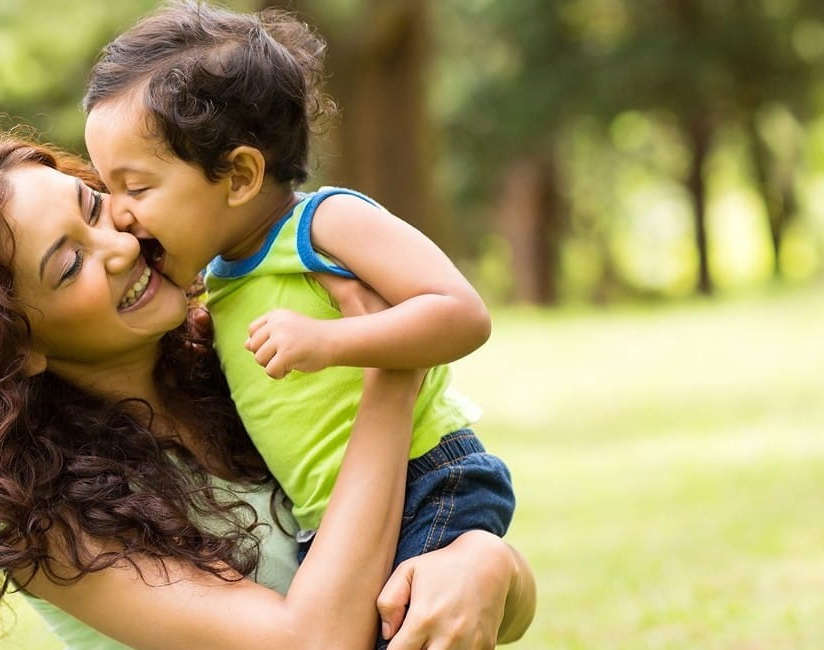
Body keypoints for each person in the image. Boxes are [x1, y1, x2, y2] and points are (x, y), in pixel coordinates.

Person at [0, 137, 535, 650]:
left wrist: (484, 563)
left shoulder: (243, 358)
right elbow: (311, 642)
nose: (120, 244)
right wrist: (391, 367)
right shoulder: (41, 519)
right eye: (69, 266)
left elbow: (469, 580)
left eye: (93, 207)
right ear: (11, 345)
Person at [82, 1, 516, 627]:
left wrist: (332, 341)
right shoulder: (223, 274)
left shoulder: (324, 224)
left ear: (238, 175)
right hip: (336, 517)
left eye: (137, 188)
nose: (119, 214)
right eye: (107, 188)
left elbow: (461, 314)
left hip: (425, 479)